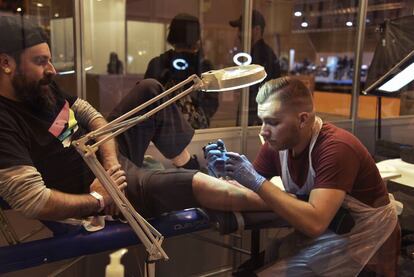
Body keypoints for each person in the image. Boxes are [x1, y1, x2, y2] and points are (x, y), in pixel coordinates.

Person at [0, 16, 269, 222]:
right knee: (196, 183)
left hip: (107, 163)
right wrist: (98, 198)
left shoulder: (41, 90)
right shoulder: (5, 122)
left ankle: (188, 164)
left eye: (49, 60)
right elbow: (33, 200)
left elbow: (93, 117)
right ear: (6, 64)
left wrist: (110, 163)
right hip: (97, 188)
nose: (52, 70)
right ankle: (284, 201)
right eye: (40, 61)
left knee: (150, 88)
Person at [206, 77, 400, 276]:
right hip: (329, 232)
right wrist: (225, 173)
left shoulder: (336, 148)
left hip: (365, 241)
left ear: (303, 119)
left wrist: (255, 181)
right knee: (247, 271)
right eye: (262, 121)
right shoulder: (276, 144)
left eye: (273, 122)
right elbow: (246, 189)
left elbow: (314, 223)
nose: (263, 131)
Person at [144, 13, 218, 129]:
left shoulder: (158, 64)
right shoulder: (205, 67)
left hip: (163, 134)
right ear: (198, 38)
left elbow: (146, 102)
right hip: (197, 133)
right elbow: (212, 103)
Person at [229, 9, 281, 126]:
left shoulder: (261, 55)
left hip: (255, 118)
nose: (239, 33)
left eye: (242, 29)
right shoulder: (253, 53)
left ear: (257, 29)